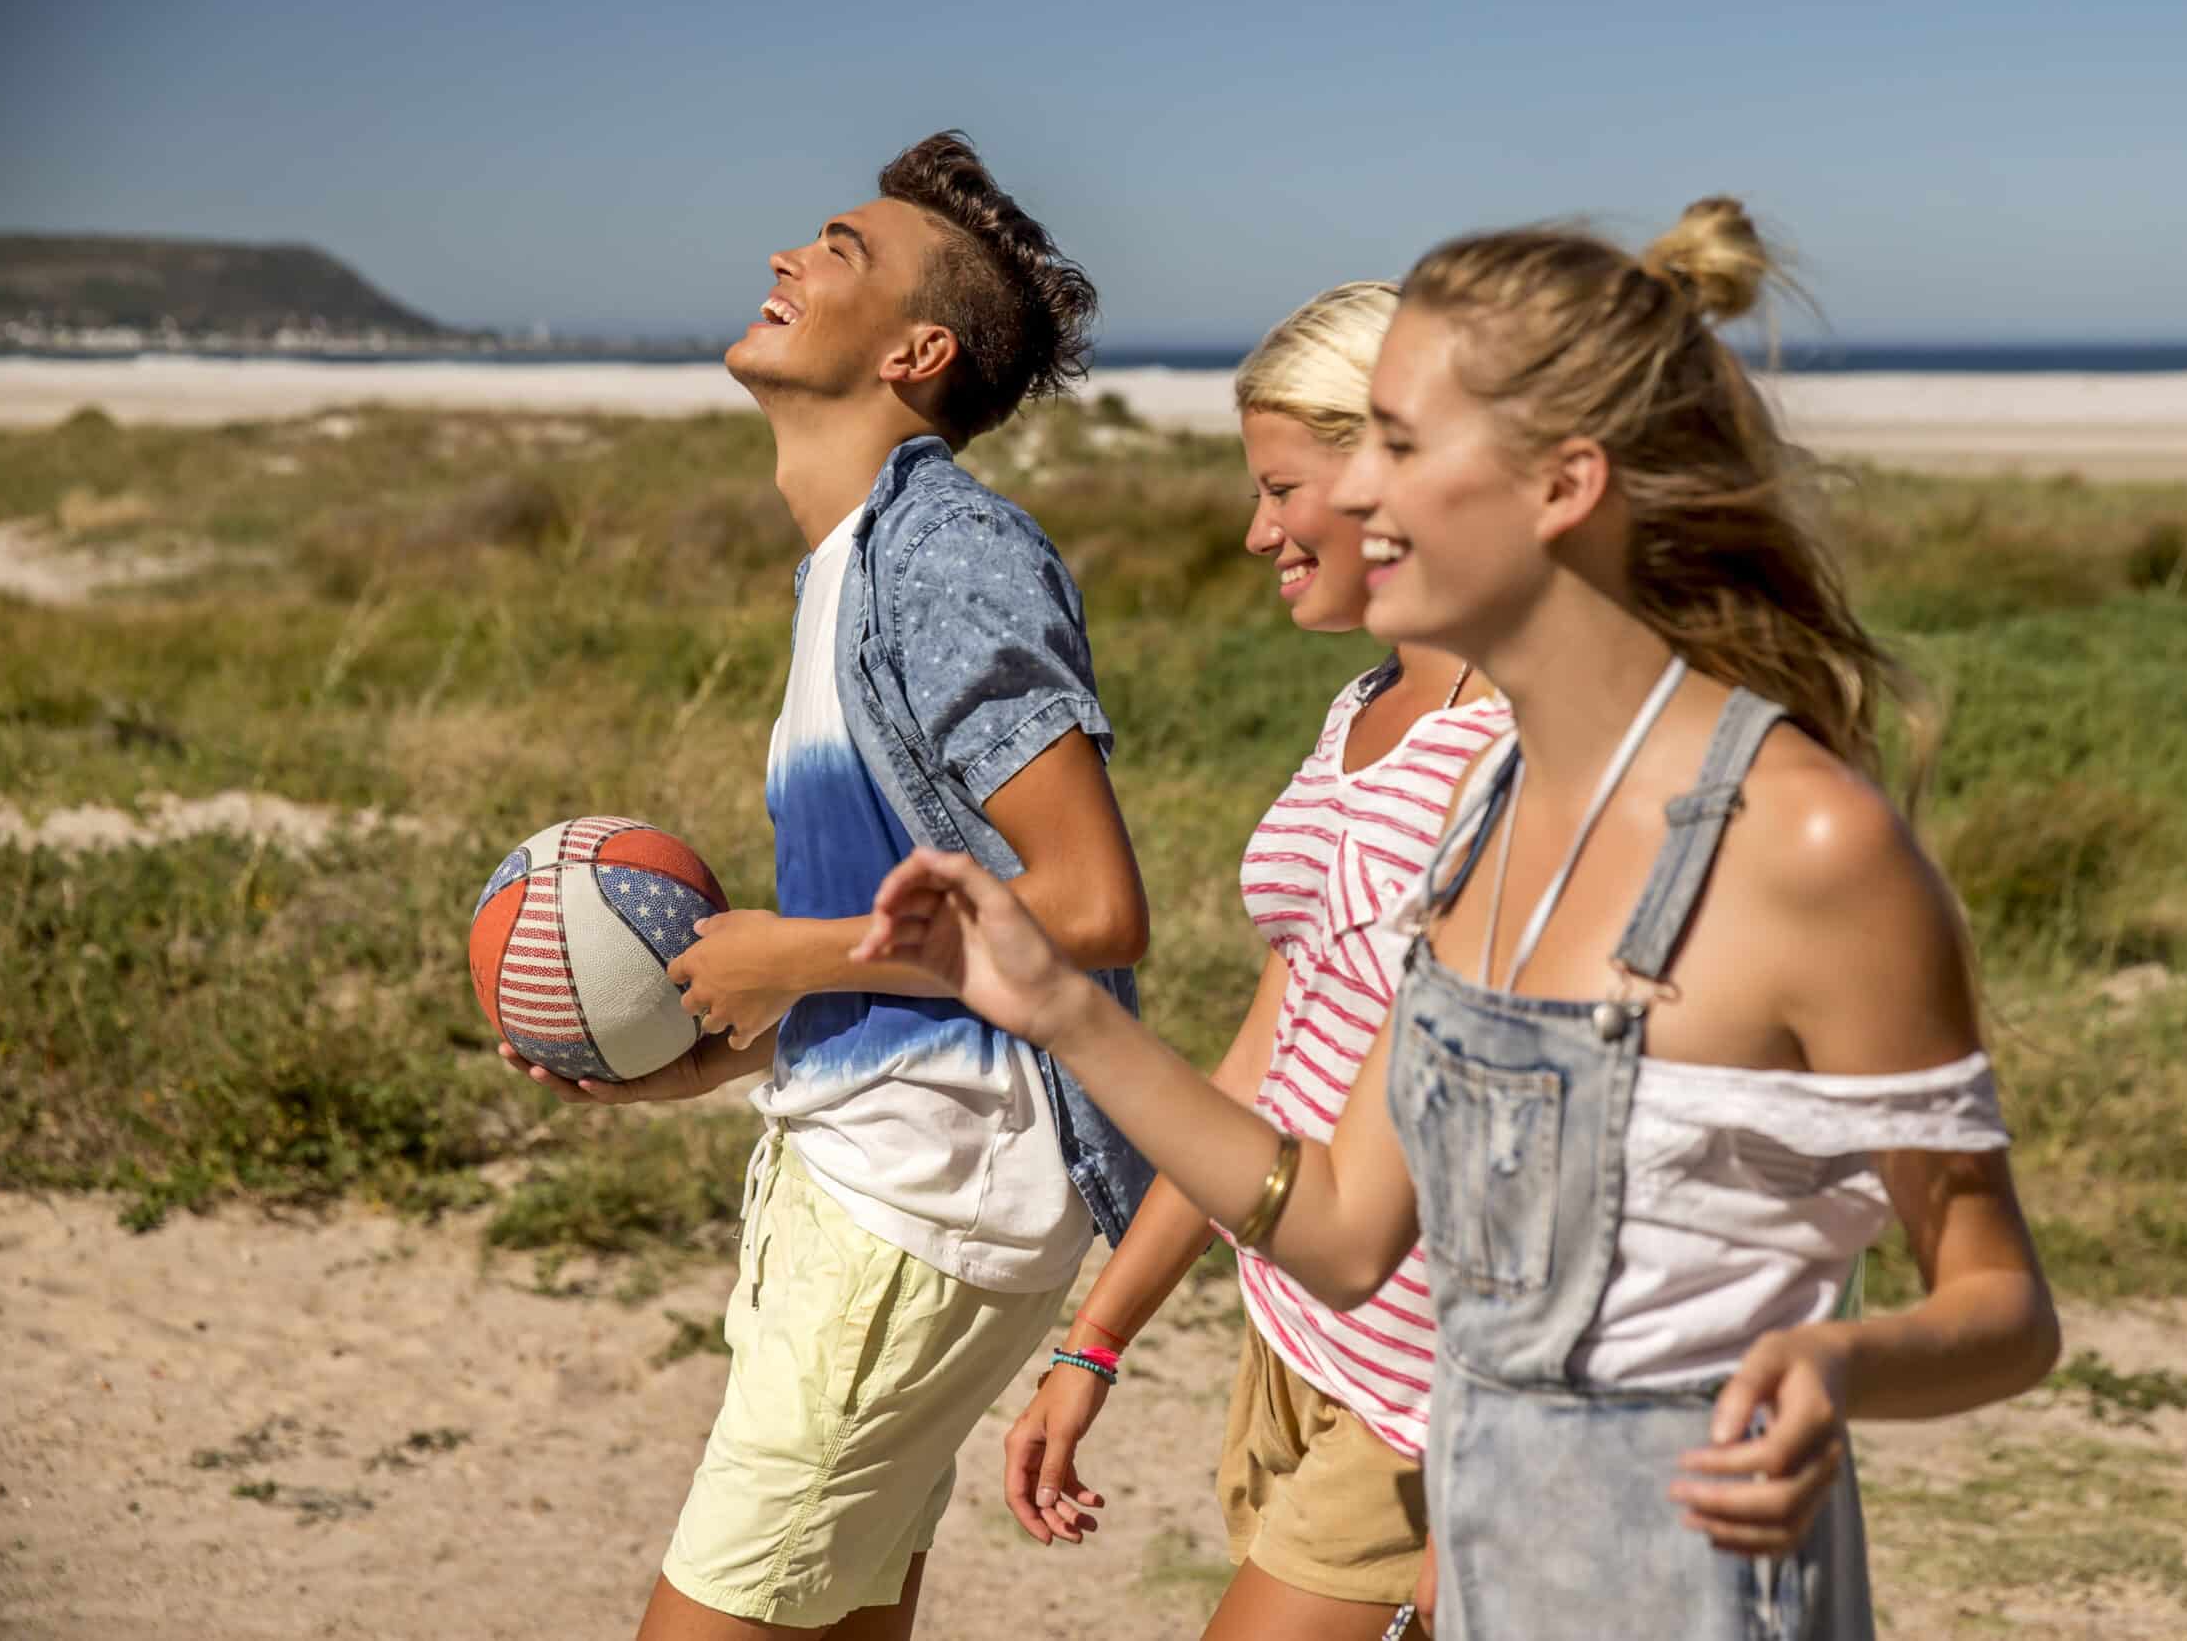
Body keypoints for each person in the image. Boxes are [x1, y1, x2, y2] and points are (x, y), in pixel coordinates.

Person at [854, 198, 2063, 1639]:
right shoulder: (1486, 834)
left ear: (1563, 484)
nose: (1356, 503)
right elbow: (1352, 1231)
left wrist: (1840, 1366)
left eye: (1402, 453)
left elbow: (2001, 1301)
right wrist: (1053, 1006)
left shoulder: (1806, 841)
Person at [503, 131, 1152, 1641]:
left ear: (918, 349)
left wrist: (786, 955)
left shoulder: (945, 554)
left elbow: (1090, 905)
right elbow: (927, 921)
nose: (791, 258)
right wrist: (727, 1053)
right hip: (876, 1185)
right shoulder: (848, 567)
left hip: (918, 1209)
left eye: (840, 252)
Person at [998, 281, 1509, 1640]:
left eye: (1282, 487)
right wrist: (1097, 1338)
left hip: (1426, 1399)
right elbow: (1265, 1065)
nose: (1255, 529)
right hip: (1295, 1335)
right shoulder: (1363, 709)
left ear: (1391, 471)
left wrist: (1490, 1464)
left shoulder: (1517, 753)